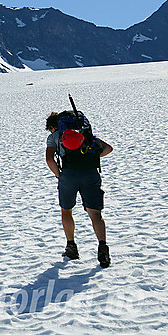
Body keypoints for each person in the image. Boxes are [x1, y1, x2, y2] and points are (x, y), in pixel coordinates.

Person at [45, 112, 113, 267]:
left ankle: (71, 247)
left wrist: (59, 175)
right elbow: (108, 148)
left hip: (68, 176)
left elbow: (49, 159)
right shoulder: (84, 133)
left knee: (66, 210)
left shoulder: (55, 137)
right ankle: (103, 248)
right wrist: (89, 159)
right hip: (90, 173)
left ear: (54, 126)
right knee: (95, 213)